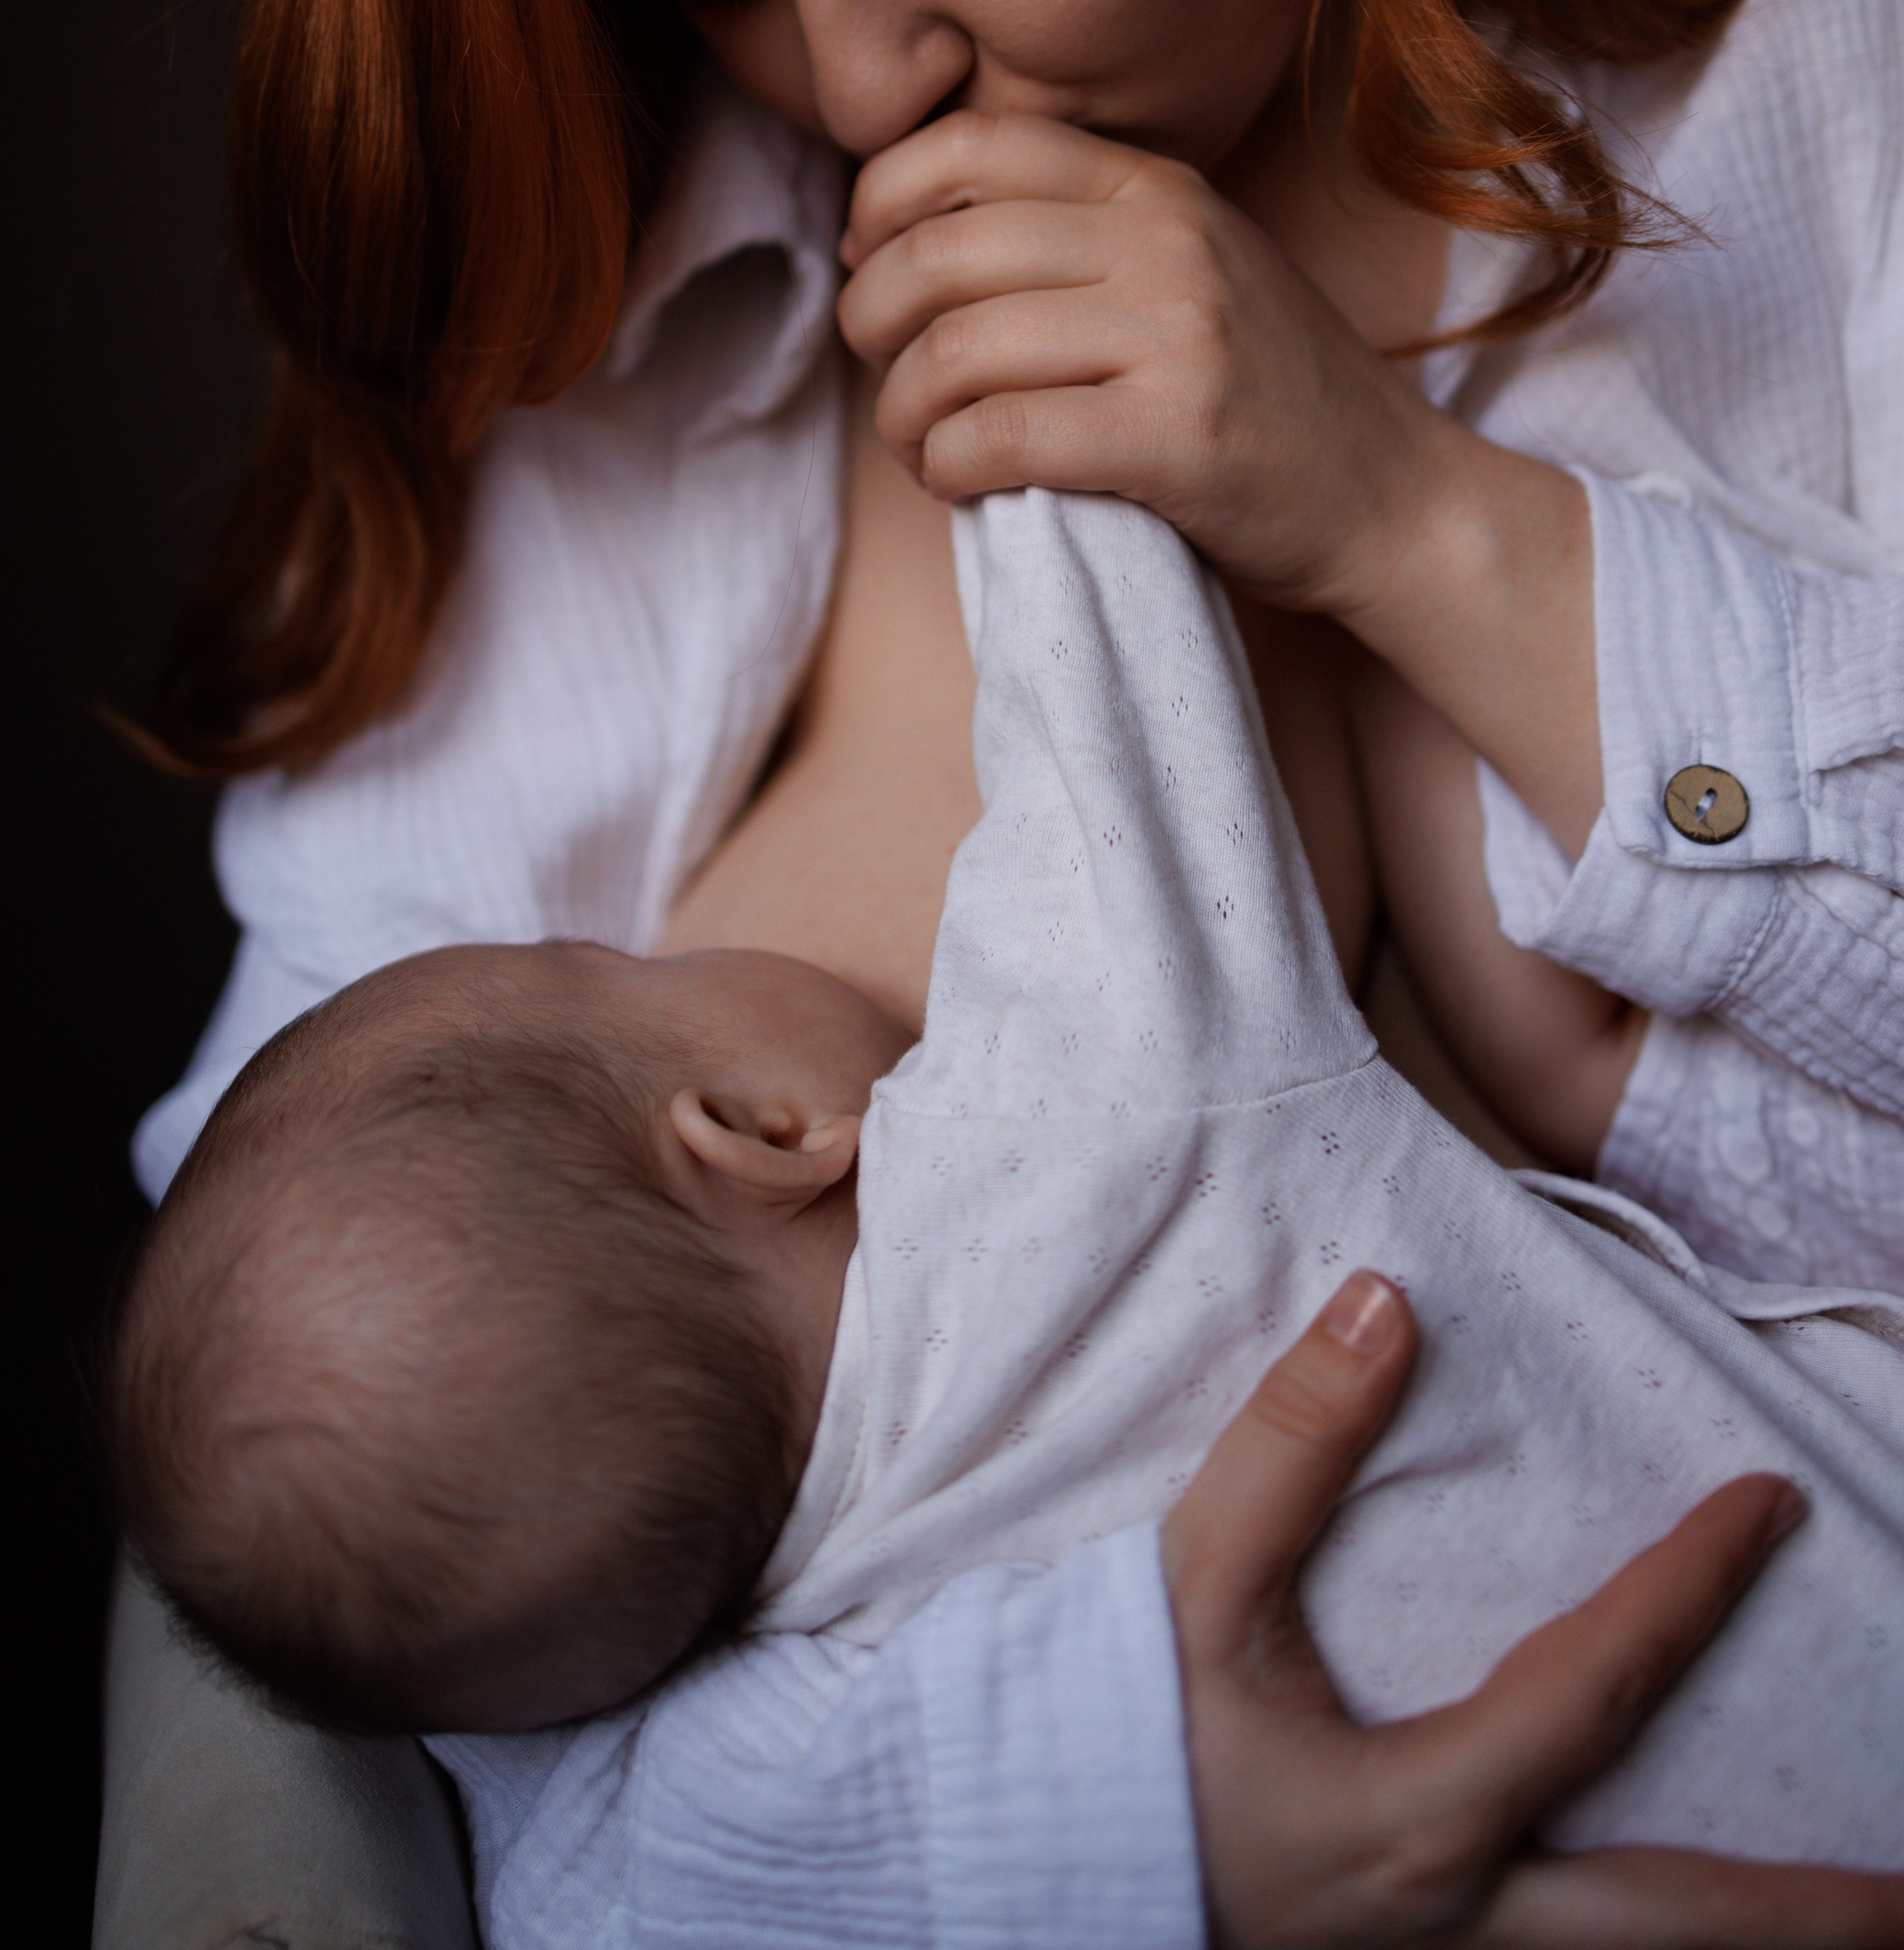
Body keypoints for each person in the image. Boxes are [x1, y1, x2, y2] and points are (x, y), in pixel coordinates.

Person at [110, 0, 1902, 1936]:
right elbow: (378, 1568)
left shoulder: (1854, 20)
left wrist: (1418, 526)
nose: (846, 86)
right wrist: (1094, 1816)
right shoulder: (616, 387)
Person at [107, 488, 1904, 1924]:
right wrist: (1025, 380)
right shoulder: (1094, 1108)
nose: (658, 937)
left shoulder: (806, 1694)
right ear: (754, 1126)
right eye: (602, 958)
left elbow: (592, 1876)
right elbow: (1097, 680)